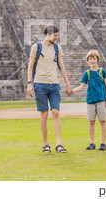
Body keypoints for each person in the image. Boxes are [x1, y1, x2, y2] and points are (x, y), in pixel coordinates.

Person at [27, 24, 73, 153]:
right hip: (40, 84)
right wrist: (29, 83)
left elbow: (61, 67)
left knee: (56, 112)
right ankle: (45, 144)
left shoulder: (57, 48)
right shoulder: (36, 47)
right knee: (44, 115)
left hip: (54, 84)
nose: (57, 38)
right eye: (55, 35)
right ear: (48, 35)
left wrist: (67, 83)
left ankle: (58, 144)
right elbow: (30, 66)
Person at [72, 49, 106, 151]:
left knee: (103, 121)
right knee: (91, 122)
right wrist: (72, 91)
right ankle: (92, 143)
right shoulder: (87, 73)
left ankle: (103, 143)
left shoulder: (102, 71)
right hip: (90, 101)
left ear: (97, 59)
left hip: (101, 100)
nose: (92, 61)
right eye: (90, 59)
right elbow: (81, 86)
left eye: (94, 59)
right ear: (87, 60)